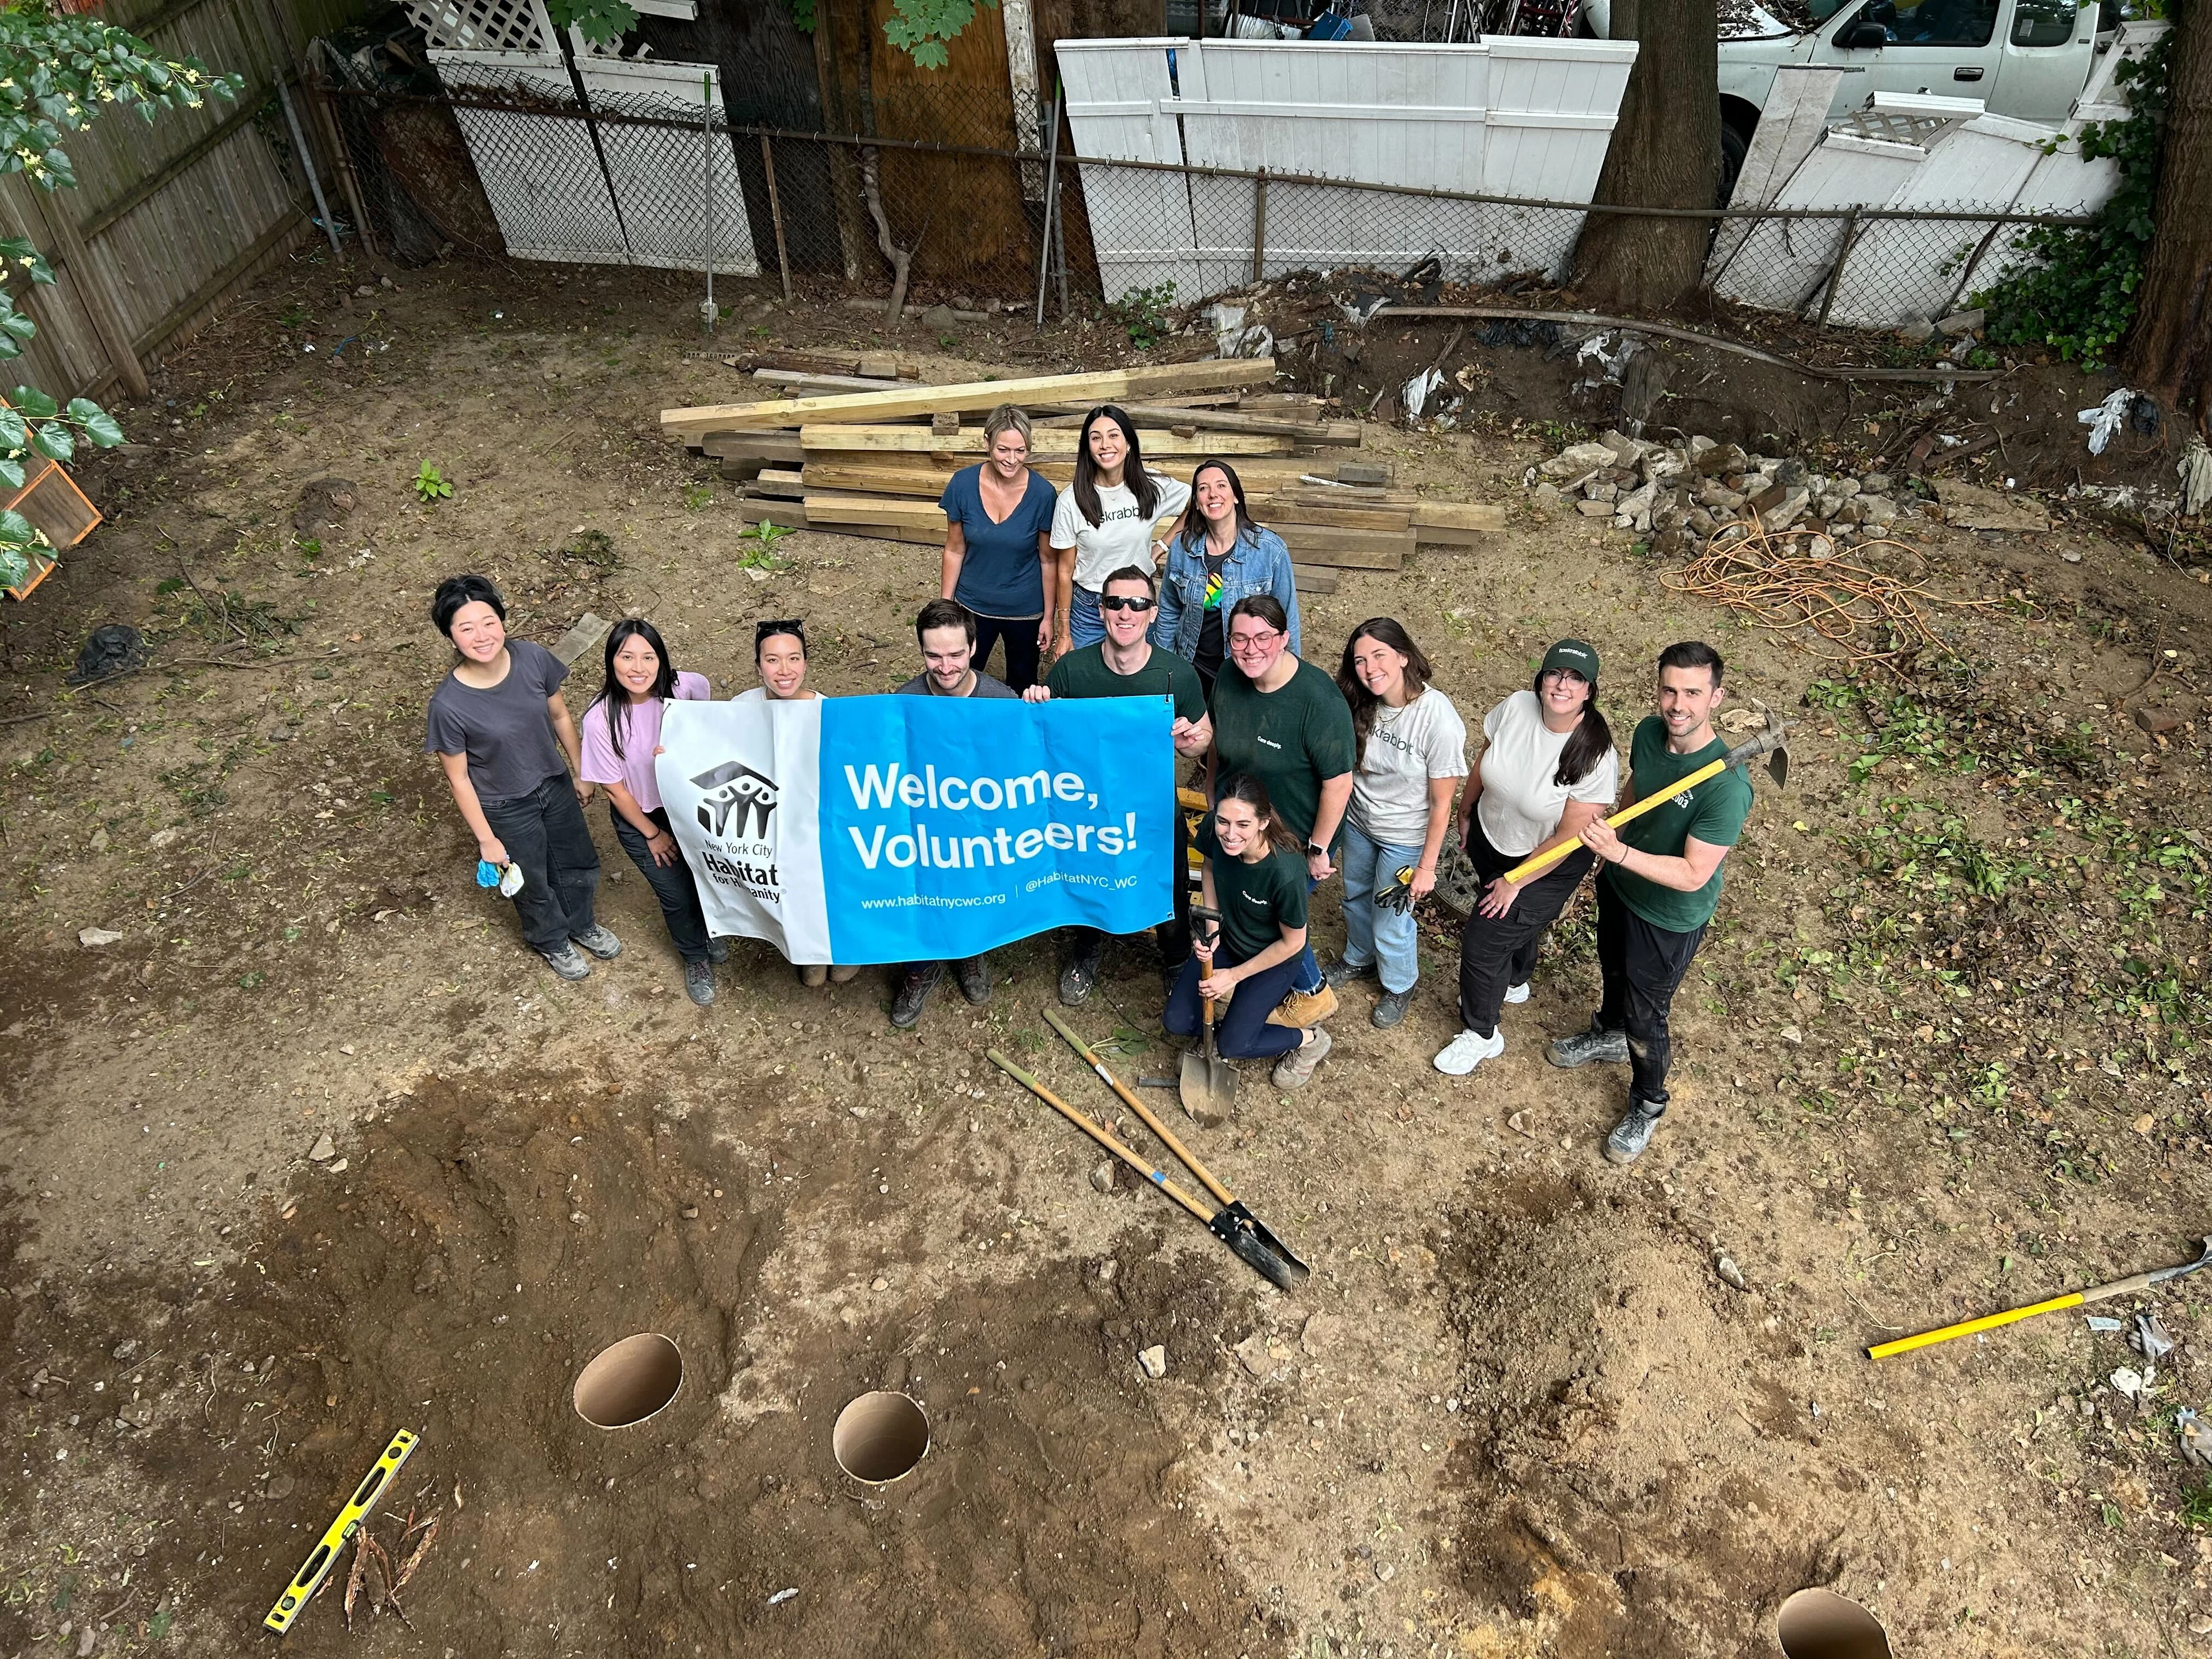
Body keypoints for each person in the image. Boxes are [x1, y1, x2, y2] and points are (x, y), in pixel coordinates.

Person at [1551, 641, 1753, 1166]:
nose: (1677, 704)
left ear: (1717, 698)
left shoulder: (1727, 786)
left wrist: (1618, 851)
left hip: (1668, 917)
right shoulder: (1647, 733)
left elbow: (1692, 875)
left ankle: (1648, 1102)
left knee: (1648, 1014)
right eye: (1669, 690)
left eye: (1692, 692)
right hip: (1622, 886)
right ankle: (1609, 1034)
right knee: (1612, 972)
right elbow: (1638, 791)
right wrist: (1614, 841)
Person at [1022, 565, 1211, 1003]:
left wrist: (1193, 741)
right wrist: (1036, 706)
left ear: (1152, 613)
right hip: (1088, 810)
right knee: (1091, 879)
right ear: (1102, 610)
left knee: (1170, 889)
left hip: (1152, 812)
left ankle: (1177, 958)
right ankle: (1088, 948)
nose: (1126, 612)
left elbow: (1202, 741)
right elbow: (1043, 744)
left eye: (1138, 604)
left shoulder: (1177, 674)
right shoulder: (1071, 671)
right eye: (1115, 603)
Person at [1433, 639, 1616, 1077]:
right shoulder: (1517, 706)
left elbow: (1571, 836)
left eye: (1576, 679)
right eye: (1555, 674)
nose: (1562, 685)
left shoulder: (1595, 755)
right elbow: (1485, 757)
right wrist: (1465, 809)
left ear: (1589, 691)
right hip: (1493, 835)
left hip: (1548, 863)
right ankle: (1515, 979)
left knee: (1483, 942)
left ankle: (1481, 1034)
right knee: (1509, 928)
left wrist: (1517, 880)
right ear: (1541, 680)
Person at [424, 573, 618, 981]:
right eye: (466, 628)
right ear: (451, 637)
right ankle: (551, 940)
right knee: (531, 879)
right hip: (505, 805)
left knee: (578, 861)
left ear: (503, 620)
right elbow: (459, 779)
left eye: (489, 621)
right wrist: (486, 839)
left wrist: (583, 771)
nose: (481, 635)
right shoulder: (449, 705)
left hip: (554, 783)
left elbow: (560, 715)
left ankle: (582, 924)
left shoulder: (531, 658)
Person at [1207, 594, 1355, 1029]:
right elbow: (1219, 744)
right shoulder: (1229, 678)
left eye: (1263, 638)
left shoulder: (1318, 700)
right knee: (1240, 898)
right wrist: (1216, 801)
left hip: (1295, 835)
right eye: (1240, 639)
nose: (1250, 649)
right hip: (1239, 819)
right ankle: (1254, 977)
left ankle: (1311, 993)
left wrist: (1319, 848)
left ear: (1285, 638)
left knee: (1273, 915)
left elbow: (1339, 783)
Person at [1326, 619, 1467, 1028]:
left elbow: (1442, 805)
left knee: (1391, 916)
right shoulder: (1358, 702)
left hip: (1404, 838)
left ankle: (1400, 984)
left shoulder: (1436, 718)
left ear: (1404, 656)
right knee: (1355, 896)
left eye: (1379, 656)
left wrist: (1426, 867)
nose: (1370, 668)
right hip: (1359, 822)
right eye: (1360, 661)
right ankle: (1358, 957)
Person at [579, 619, 725, 1006]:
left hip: (689, 806)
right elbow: (615, 789)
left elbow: (706, 725)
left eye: (649, 657)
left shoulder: (685, 687)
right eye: (627, 657)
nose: (638, 668)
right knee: (674, 893)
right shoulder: (600, 719)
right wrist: (652, 833)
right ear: (612, 662)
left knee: (702, 875)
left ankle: (711, 930)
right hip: (643, 817)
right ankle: (695, 958)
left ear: (662, 661)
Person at [891, 599, 1020, 1029]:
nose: (945, 667)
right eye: (933, 655)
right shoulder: (902, 703)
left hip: (980, 828)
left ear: (974, 647)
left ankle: (971, 953)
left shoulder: (1002, 702)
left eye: (955, 654)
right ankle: (920, 969)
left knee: (974, 887)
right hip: (923, 829)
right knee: (917, 890)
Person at [1164, 773, 1332, 1092]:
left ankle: (1309, 1039)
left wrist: (1234, 976)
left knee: (1234, 1047)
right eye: (1224, 822)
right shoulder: (1217, 831)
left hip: (1274, 957)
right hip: (1230, 939)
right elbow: (1210, 867)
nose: (1230, 834)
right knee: (1176, 1020)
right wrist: (1212, 928)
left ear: (1264, 822)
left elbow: (1294, 942)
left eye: (1243, 825)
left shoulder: (1285, 872)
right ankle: (1228, 1032)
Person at [740, 618, 858, 990]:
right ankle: (808, 953)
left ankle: (842, 952)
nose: (784, 670)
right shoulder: (740, 709)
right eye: (772, 660)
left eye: (794, 658)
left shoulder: (829, 712)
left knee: (829, 880)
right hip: (770, 818)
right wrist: (672, 754)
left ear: (806, 662)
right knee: (788, 886)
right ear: (758, 665)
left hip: (817, 819)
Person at [1154, 457, 1301, 700]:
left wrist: (1289, 681)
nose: (1213, 494)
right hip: (1193, 667)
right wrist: (1165, 668)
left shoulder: (1270, 551)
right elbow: (1169, 610)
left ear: (1235, 496)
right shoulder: (1183, 548)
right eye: (1203, 489)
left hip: (1247, 670)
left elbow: (1288, 620)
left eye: (1221, 486)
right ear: (1197, 504)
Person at [1050, 406, 1191, 657]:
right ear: (1088, 448)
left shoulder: (1152, 487)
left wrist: (1161, 547)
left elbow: (1198, 505)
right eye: (1096, 438)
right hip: (1090, 607)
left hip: (1139, 605)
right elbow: (1064, 570)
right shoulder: (1071, 501)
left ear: (1128, 443)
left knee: (1136, 682)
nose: (1105, 445)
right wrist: (1064, 632)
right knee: (1088, 686)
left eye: (1114, 435)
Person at [939, 404, 1058, 693]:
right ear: (987, 443)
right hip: (973, 605)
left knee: (1023, 684)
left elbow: (1048, 560)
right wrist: (945, 607)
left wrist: (1049, 617)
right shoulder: (963, 485)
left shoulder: (1043, 494)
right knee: (961, 680)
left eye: (1021, 451)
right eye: (1004, 449)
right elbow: (955, 549)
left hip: (1025, 610)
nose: (1012, 459)